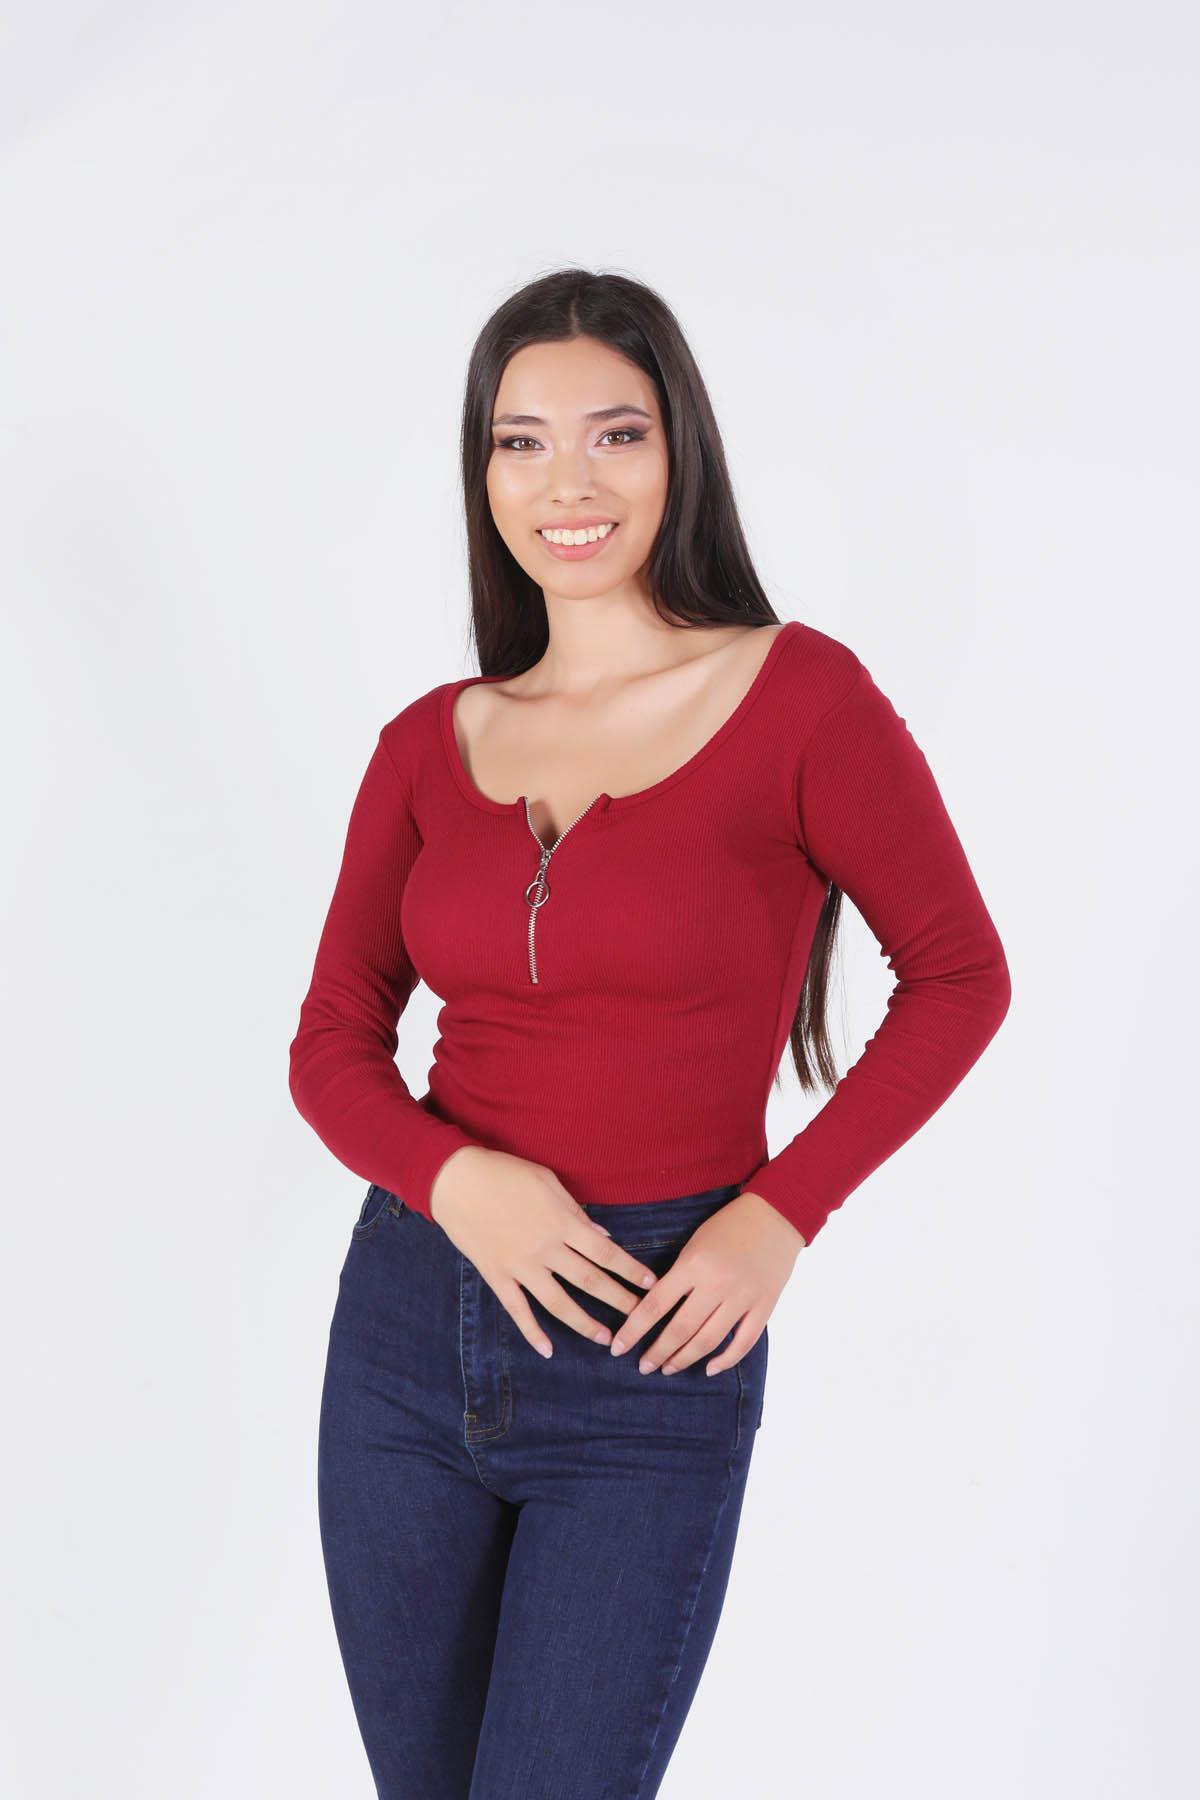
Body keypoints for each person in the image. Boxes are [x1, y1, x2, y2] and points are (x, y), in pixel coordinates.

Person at [288, 267, 1012, 1799]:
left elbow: (960, 975)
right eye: (522, 441)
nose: (568, 482)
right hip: (407, 1333)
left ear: (680, 449)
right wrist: (457, 1183)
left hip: (650, 1338)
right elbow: (332, 1043)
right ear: (483, 473)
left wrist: (777, 1215)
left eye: (614, 434)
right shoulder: (429, 741)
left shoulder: (799, 696)